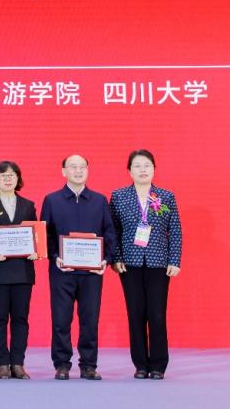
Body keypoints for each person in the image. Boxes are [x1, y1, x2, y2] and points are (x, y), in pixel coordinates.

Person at [41, 154, 116, 381]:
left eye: (82, 166)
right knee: (61, 320)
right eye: (72, 167)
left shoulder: (99, 200)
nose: (78, 170)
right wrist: (55, 257)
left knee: (90, 320)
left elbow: (109, 232)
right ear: (63, 171)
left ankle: (88, 365)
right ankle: (62, 365)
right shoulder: (52, 200)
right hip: (62, 271)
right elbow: (46, 234)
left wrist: (106, 259)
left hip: (92, 272)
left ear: (88, 170)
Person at [110, 149, 183, 380]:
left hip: (158, 263)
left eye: (147, 165)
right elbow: (113, 230)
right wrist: (116, 258)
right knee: (136, 314)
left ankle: (158, 365)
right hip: (129, 263)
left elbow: (175, 230)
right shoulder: (119, 196)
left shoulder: (165, 196)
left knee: (157, 314)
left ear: (154, 169)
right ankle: (141, 364)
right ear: (129, 171)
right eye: (137, 166)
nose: (143, 170)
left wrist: (174, 260)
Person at [0, 161, 39, 380]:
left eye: (12, 175)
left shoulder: (28, 205)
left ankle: (18, 363)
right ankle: (2, 363)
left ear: (18, 179)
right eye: (3, 175)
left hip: (23, 271)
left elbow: (36, 234)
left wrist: (36, 250)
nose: (8, 178)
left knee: (21, 318)